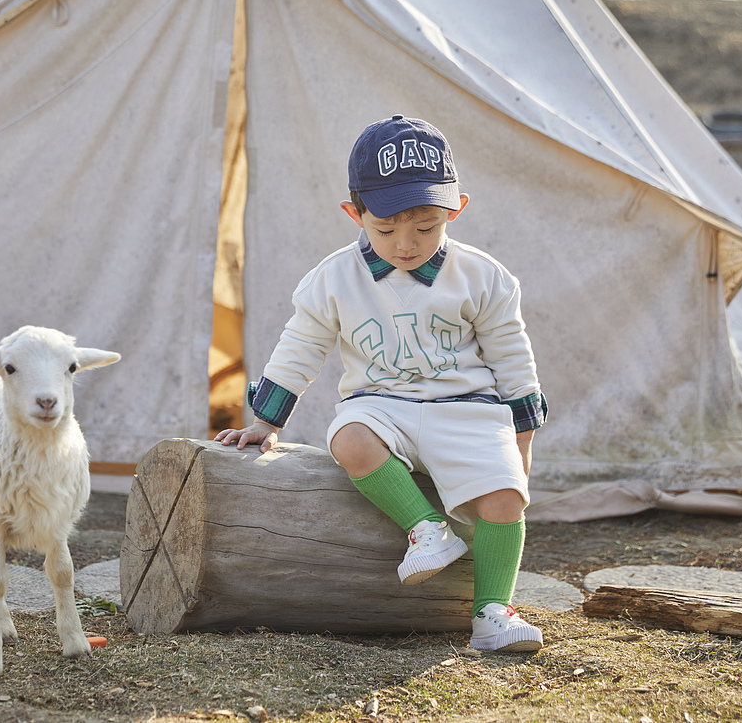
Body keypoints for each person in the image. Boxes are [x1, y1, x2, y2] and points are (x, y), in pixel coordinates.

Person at [214, 115, 548, 652]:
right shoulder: (333, 278)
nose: (407, 245)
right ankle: (426, 529)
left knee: (508, 496)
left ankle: (492, 614)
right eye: (386, 230)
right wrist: (265, 421)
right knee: (348, 438)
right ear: (356, 214)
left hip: (467, 407)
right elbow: (301, 345)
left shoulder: (484, 276)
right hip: (381, 405)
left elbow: (512, 355)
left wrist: (522, 439)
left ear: (456, 209)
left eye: (426, 228)